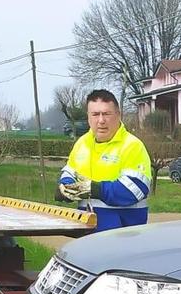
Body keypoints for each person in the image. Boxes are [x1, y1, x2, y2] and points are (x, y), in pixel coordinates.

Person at [55, 89, 152, 231]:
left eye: (106, 114)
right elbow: (69, 173)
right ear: (88, 117)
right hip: (87, 231)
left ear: (118, 115)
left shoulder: (132, 146)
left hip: (122, 235)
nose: (101, 120)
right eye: (95, 114)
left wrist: (94, 189)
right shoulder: (82, 143)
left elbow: (135, 189)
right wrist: (65, 187)